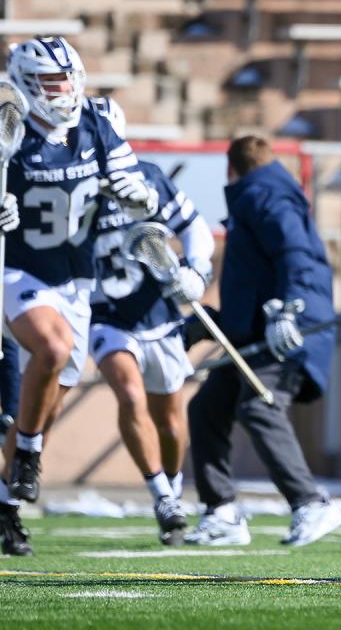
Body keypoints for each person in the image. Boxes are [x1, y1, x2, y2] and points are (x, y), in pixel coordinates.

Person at [1, 37, 157, 556]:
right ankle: (27, 454)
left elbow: (134, 182)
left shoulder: (98, 120)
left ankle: (7, 505)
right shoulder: (9, 123)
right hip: (18, 268)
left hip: (75, 280)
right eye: (51, 82)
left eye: (68, 79)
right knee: (53, 348)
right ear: (26, 83)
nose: (64, 91)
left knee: (42, 403)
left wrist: (140, 195)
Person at [182, 135, 341, 548]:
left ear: (230, 168)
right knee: (206, 408)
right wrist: (213, 322)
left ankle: (310, 503)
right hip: (255, 332)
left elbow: (297, 254)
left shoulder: (263, 193)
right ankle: (221, 513)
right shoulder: (260, 194)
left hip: (285, 330)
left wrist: (291, 309)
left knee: (259, 406)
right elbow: (254, 280)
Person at [89, 95, 214, 545]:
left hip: (157, 314)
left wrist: (196, 271)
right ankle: (161, 495)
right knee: (128, 392)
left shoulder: (149, 178)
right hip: (103, 313)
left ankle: (174, 488)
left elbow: (194, 227)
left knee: (170, 418)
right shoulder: (69, 185)